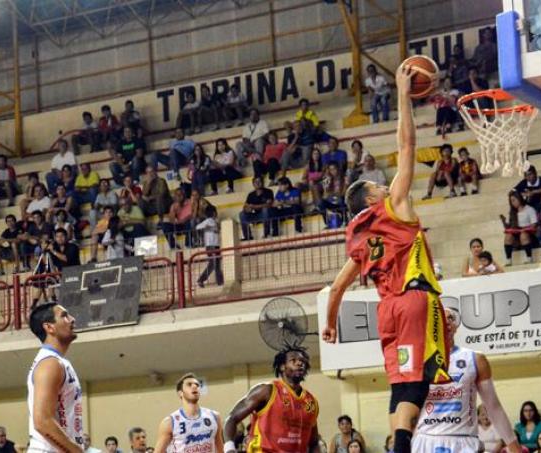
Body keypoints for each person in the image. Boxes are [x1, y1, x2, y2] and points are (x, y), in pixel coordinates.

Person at [324, 65, 451, 453]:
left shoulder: (359, 239)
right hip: (414, 301)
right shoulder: (394, 206)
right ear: (370, 198)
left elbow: (338, 287)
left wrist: (329, 325)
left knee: (401, 382)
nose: (387, 184)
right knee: (421, 380)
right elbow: (408, 146)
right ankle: (401, 447)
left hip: (388, 312)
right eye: (379, 185)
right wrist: (402, 94)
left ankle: (400, 444)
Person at [412, 308, 521, 453]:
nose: (447, 322)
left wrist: (515, 448)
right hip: (424, 441)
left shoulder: (475, 359)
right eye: (441, 318)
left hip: (464, 441)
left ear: (456, 326)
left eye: (451, 318)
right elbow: (405, 407)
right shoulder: (416, 361)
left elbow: (494, 407)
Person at [223, 346, 320, 453]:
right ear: (282, 366)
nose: (299, 363)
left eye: (302, 361)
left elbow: (314, 442)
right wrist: (229, 448)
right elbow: (232, 418)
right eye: (293, 360)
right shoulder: (266, 390)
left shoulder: (311, 401)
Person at [27, 302, 84, 453]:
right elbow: (42, 422)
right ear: (49, 327)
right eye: (64, 316)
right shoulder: (50, 364)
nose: (72, 319)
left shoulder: (57, 362)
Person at [152, 372, 224, 453]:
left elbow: (220, 447)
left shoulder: (214, 416)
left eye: (197, 384)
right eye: (189, 384)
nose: (194, 386)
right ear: (180, 393)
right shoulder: (170, 422)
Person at [501, 191, 538, 266]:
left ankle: (529, 258)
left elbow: (534, 225)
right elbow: (509, 227)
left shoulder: (529, 209)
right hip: (516, 234)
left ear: (519, 199)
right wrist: (504, 223)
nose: (512, 203)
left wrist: (524, 229)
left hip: (529, 234)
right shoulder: (512, 212)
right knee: (508, 236)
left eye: (514, 200)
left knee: (523, 235)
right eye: (511, 201)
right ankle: (508, 260)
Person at [196, 205, 223, 288]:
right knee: (216, 265)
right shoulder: (209, 221)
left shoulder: (213, 221)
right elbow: (197, 227)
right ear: (214, 213)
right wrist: (209, 228)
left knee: (213, 264)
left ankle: (201, 280)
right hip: (212, 246)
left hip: (214, 246)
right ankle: (220, 282)